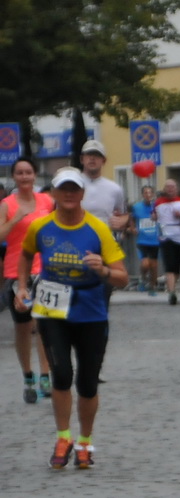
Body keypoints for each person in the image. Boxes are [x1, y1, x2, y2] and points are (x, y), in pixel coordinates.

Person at [20, 167, 129, 470]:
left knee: (87, 383)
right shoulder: (40, 227)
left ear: (82, 194)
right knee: (62, 375)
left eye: (74, 189)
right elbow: (26, 253)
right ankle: (63, 437)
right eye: (63, 189)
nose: (69, 194)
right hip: (54, 312)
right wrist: (22, 285)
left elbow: (123, 277)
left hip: (91, 312)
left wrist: (103, 270)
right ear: (53, 193)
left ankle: (85, 441)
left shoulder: (98, 229)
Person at [1, 158, 54, 403]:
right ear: (14, 177)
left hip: (44, 270)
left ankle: (45, 374)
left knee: (45, 325)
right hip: (16, 272)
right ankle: (27, 375)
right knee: (23, 328)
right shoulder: (6, 204)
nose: (24, 177)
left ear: (34, 176)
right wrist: (15, 218)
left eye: (28, 172)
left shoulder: (47, 201)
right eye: (20, 173)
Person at [77, 141, 129, 238]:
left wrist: (122, 221)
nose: (92, 158)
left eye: (97, 155)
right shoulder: (73, 184)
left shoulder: (115, 188)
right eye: (89, 154)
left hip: (105, 241)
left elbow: (123, 214)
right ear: (82, 159)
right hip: (77, 238)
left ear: (103, 161)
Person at [153, 180, 180, 305]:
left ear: (176, 189)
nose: (170, 189)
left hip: (179, 234)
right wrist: (153, 216)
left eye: (172, 187)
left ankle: (173, 286)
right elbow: (153, 215)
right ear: (164, 189)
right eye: (168, 187)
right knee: (169, 263)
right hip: (165, 234)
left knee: (176, 265)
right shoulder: (158, 202)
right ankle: (172, 293)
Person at [131, 184, 160, 293]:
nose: (148, 195)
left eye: (150, 193)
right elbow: (131, 218)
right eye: (145, 193)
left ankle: (152, 286)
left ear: (153, 194)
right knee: (145, 264)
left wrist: (157, 217)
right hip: (142, 240)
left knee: (154, 265)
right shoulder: (137, 207)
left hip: (155, 240)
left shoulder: (156, 206)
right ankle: (143, 278)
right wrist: (133, 228)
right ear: (142, 194)